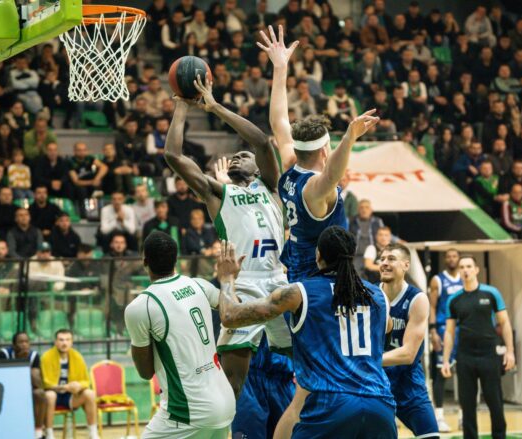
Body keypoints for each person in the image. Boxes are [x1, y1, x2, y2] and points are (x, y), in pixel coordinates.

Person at [164, 76, 294, 438]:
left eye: (244, 156)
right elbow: (173, 156)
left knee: (313, 369)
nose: (239, 155)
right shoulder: (218, 193)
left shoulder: (270, 186)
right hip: (243, 285)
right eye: (235, 155)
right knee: (231, 386)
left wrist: (214, 106)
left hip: (281, 281)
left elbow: (261, 140)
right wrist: (181, 106)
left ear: (257, 168)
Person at [217, 226, 397, 438]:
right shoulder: (379, 296)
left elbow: (229, 316)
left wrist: (227, 279)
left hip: (330, 404)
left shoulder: (299, 292)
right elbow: (385, 333)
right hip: (380, 404)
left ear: (318, 254)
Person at [261, 25, 378, 283]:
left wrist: (280, 68)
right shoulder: (314, 187)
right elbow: (332, 175)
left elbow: (279, 120)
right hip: (319, 277)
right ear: (325, 149)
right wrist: (348, 138)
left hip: (297, 267)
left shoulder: (291, 165)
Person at [124, 232, 235, 438]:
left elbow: (145, 372)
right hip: (225, 402)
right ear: (176, 259)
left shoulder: (141, 306)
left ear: (144, 261)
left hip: (187, 412)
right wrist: (228, 280)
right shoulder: (199, 285)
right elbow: (234, 312)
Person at [442, 255, 515, 439]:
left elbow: (504, 323)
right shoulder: (454, 300)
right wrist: (445, 360)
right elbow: (449, 332)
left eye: (468, 266)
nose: (465, 270)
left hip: (488, 355)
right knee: (467, 406)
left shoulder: (491, 293)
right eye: (462, 267)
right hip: (465, 356)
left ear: (476, 270)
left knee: (495, 402)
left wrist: (510, 351)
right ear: (459, 271)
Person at [380, 244, 439, 438]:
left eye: (391, 259)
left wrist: (368, 359)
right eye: (382, 259)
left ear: (406, 265)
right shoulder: (370, 296)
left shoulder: (417, 299)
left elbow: (408, 354)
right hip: (377, 381)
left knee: (431, 435)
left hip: (408, 380)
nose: (385, 263)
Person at [41, 329, 100, 439]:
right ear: (55, 342)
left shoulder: (77, 356)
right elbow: (45, 383)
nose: (64, 343)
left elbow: (86, 380)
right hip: (52, 396)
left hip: (70, 397)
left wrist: (78, 385)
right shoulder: (46, 357)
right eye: (61, 340)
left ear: (72, 342)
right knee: (50, 395)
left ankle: (93, 433)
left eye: (68, 340)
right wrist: (64, 387)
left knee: (90, 394)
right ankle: (49, 433)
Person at [428, 248, 462, 432]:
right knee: (441, 373)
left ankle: (464, 417)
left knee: (464, 373)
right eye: (448, 256)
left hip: (462, 330)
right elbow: (432, 307)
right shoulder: (438, 280)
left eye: (454, 256)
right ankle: (439, 416)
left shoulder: (466, 278)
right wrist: (433, 331)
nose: (451, 259)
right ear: (444, 260)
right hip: (442, 329)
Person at [0, 331, 46, 439]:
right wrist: (19, 362)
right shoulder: (3, 354)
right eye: (21, 342)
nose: (24, 344)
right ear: (13, 345)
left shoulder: (33, 356)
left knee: (40, 393)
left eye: (27, 342)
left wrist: (26, 362)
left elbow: (38, 384)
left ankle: (38, 432)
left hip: (26, 391)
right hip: (5, 391)